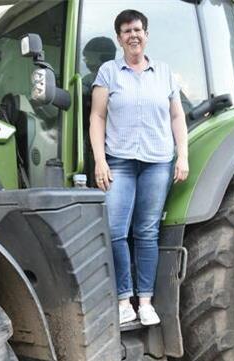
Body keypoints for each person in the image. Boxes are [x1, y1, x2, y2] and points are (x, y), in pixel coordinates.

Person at [89, 9, 189, 325]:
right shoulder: (108, 72)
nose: (133, 35)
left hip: (157, 161)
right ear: (119, 38)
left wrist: (182, 155)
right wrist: (100, 160)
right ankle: (123, 300)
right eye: (127, 31)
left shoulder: (164, 72)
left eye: (138, 29)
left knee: (147, 230)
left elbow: (177, 117)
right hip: (119, 160)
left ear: (146, 35)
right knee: (116, 230)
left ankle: (145, 301)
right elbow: (97, 117)